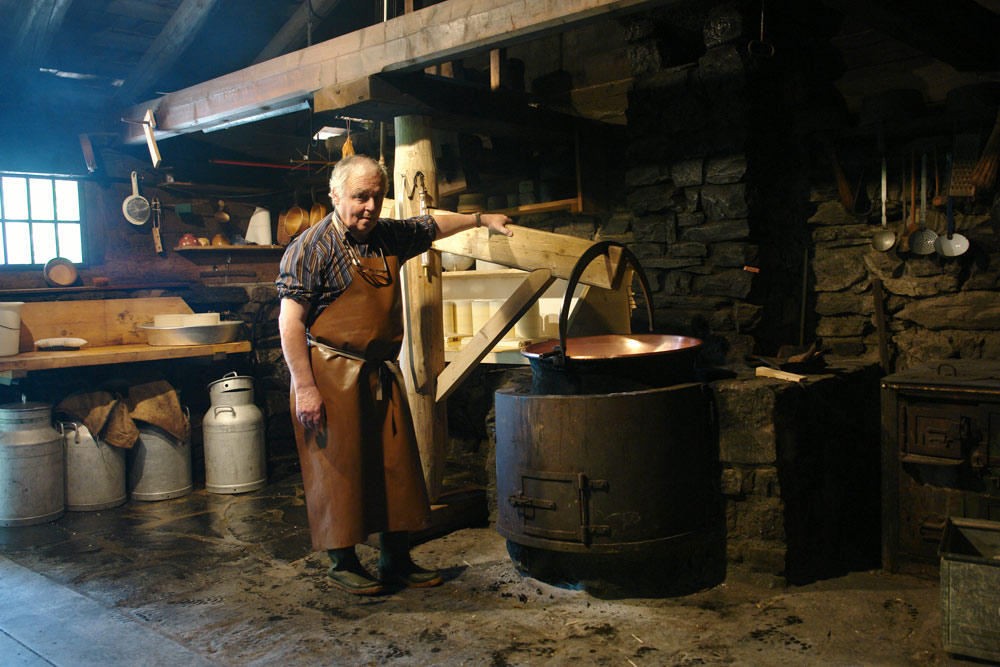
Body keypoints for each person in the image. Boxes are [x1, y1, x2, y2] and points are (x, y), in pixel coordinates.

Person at [276, 154, 512, 595]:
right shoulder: (310, 247)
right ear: (335, 195)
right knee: (339, 470)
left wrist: (480, 218)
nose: (369, 207)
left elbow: (431, 226)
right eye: (359, 197)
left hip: (379, 373)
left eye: (376, 197)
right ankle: (342, 561)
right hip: (329, 375)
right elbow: (290, 324)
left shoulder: (388, 236)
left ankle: (395, 560)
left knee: (394, 466)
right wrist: (304, 388)